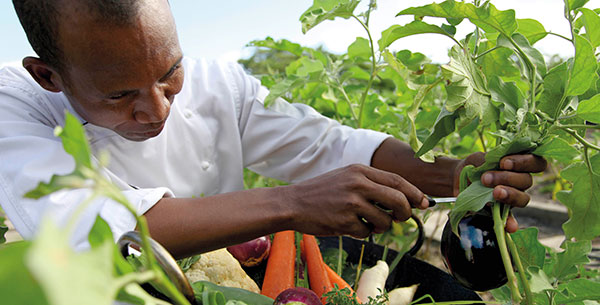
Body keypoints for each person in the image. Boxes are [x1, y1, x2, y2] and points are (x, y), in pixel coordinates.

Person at [0, 0, 546, 259]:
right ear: (48, 76)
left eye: (170, 74)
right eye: (120, 96)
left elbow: (331, 147)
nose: (158, 109)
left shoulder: (222, 84)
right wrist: (290, 203)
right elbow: (94, 230)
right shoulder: (12, 106)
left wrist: (458, 175)